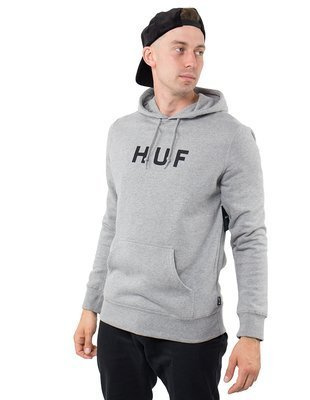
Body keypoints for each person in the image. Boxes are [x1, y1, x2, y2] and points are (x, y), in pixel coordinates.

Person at [73, 7, 268, 400]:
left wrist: (251, 332)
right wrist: (91, 305)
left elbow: (249, 236)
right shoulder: (122, 132)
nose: (192, 61)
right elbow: (113, 221)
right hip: (118, 321)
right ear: (150, 55)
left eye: (199, 51)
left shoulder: (231, 137)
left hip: (189, 331)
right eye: (180, 49)